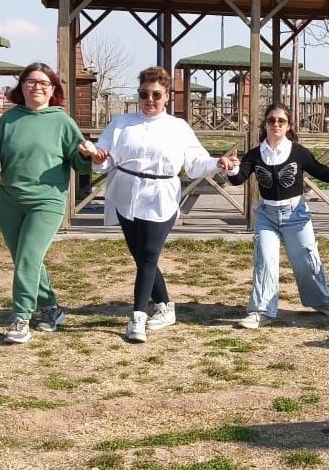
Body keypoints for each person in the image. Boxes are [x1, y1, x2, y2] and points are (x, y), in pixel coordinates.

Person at [90, 67, 229, 344]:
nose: (149, 100)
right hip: (126, 193)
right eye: (144, 94)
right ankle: (165, 306)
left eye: (156, 95)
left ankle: (138, 317)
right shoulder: (121, 124)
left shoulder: (178, 128)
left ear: (167, 96)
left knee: (150, 254)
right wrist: (97, 157)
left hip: (161, 194)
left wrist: (216, 163)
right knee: (142, 257)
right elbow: (105, 157)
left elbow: (195, 163)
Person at [0, 63, 96, 345]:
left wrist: (86, 155)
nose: (37, 87)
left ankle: (21, 318)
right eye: (31, 81)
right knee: (24, 259)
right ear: (22, 87)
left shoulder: (62, 121)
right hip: (8, 201)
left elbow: (79, 163)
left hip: (47, 201)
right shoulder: (8, 120)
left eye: (44, 82)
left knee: (28, 257)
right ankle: (52, 308)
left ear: (53, 89)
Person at [223, 102, 329, 329]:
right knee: (265, 260)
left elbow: (321, 171)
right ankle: (262, 310)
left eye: (281, 121)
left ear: (288, 126)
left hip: (296, 214)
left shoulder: (298, 152)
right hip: (267, 215)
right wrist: (231, 167)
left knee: (307, 260)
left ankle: (322, 302)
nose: (275, 124)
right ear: (265, 124)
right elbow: (239, 178)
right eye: (271, 121)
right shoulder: (255, 154)